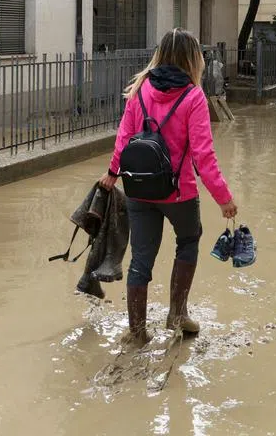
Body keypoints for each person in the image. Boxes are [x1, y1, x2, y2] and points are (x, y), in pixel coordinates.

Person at [98, 29, 238, 344]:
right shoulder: (193, 97)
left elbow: (124, 137)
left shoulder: (141, 90)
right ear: (193, 59)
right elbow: (204, 156)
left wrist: (112, 173)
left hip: (138, 190)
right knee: (188, 241)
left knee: (141, 257)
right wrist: (224, 198)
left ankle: (136, 333)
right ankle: (177, 314)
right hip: (179, 192)